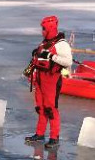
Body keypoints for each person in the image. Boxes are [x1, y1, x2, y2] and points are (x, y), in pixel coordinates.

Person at [25, 15, 72, 148]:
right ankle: (39, 134)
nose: (42, 31)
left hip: (52, 80)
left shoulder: (61, 44)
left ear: (50, 28)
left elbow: (68, 61)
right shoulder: (45, 42)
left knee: (50, 108)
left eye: (44, 28)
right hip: (40, 79)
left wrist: (51, 56)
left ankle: (54, 137)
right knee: (40, 107)